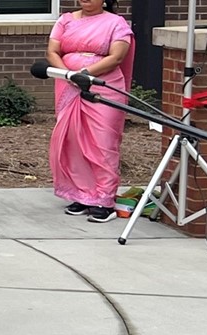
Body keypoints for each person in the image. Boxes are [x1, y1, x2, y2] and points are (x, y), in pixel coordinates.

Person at [47, 0, 133, 223]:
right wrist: (68, 75)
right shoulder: (65, 20)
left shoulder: (117, 23)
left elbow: (117, 57)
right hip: (68, 86)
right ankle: (82, 195)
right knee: (73, 140)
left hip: (103, 88)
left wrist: (84, 74)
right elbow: (53, 51)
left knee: (102, 143)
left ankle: (104, 199)